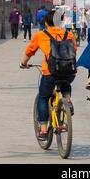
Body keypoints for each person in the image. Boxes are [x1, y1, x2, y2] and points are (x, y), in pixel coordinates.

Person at [20, 11, 77, 140]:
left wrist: (24, 63)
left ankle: (44, 130)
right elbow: (74, 50)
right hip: (69, 71)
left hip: (50, 72)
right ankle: (67, 99)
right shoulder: (69, 35)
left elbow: (30, 51)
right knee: (66, 81)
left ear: (45, 23)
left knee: (43, 98)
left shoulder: (41, 35)